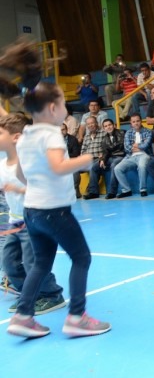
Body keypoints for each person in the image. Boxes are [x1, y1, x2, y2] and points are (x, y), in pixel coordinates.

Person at [9, 78, 110, 337]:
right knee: (81, 257)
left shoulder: (27, 135)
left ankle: (23, 316)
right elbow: (57, 166)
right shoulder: (51, 134)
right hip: (54, 211)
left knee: (41, 262)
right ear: (53, 108)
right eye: (64, 103)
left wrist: (39, 184)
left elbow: (21, 174)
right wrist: (84, 160)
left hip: (32, 210)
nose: (66, 108)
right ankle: (77, 316)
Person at [0, 113, 66, 315]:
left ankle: (51, 295)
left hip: (35, 221)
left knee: (33, 263)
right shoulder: (3, 164)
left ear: (16, 138)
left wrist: (20, 190)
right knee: (9, 264)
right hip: (14, 221)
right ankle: (28, 293)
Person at [113, 114, 153, 198]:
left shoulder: (148, 131)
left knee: (142, 166)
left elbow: (146, 145)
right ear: (131, 123)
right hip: (130, 156)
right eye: (134, 122)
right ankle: (126, 190)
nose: (136, 123)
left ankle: (143, 189)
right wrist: (140, 145)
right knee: (117, 168)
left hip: (144, 155)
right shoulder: (128, 132)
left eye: (137, 121)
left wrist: (136, 146)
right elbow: (127, 147)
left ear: (141, 121)